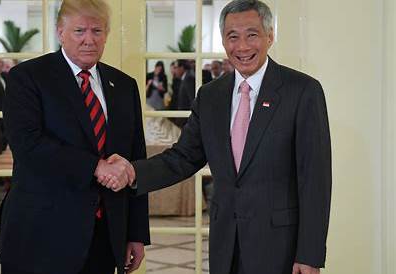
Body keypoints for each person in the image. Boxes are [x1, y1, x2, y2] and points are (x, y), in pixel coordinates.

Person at [100, 0, 331, 273]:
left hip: (280, 248)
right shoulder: (210, 96)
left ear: (270, 36)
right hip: (225, 245)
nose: (242, 46)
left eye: (252, 34)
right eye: (233, 37)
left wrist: (310, 254)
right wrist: (131, 172)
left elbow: (315, 180)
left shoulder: (302, 91)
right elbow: (183, 158)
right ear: (223, 40)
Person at [0, 1, 150, 274]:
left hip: (103, 239)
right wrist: (96, 166)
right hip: (39, 237)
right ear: (60, 32)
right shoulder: (28, 77)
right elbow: (28, 145)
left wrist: (136, 233)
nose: (89, 40)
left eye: (97, 31)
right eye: (79, 31)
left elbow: (135, 159)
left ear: (107, 34)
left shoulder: (125, 86)